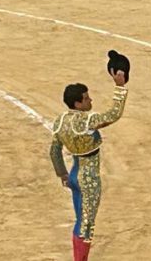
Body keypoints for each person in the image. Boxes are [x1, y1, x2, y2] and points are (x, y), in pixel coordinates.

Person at [49, 67, 129, 261]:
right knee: (85, 225)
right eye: (86, 98)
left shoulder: (60, 121)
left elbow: (54, 151)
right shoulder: (87, 120)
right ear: (77, 103)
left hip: (74, 174)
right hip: (89, 179)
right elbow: (114, 115)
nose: (90, 100)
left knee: (81, 221)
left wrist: (63, 175)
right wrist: (120, 87)